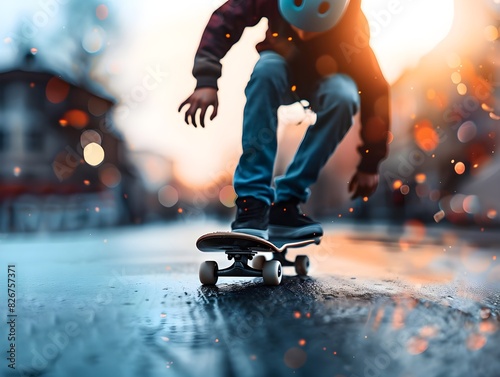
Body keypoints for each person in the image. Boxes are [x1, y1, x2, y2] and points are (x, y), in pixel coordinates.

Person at [179, 0, 390, 240]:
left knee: (344, 95)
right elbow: (225, 21)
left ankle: (287, 202)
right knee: (266, 69)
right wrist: (206, 80)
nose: (303, 35)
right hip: (279, 68)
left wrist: (370, 162)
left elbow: (376, 92)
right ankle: (252, 202)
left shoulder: (353, 27)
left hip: (326, 80)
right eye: (297, 27)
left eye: (313, 31)